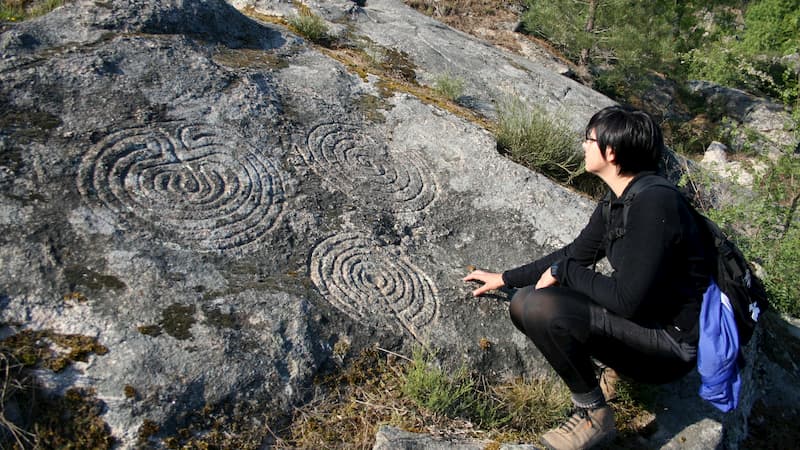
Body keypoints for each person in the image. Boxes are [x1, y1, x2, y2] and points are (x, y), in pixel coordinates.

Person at [464, 105, 709, 450]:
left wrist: (565, 273)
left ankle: (594, 415)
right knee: (526, 297)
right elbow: (575, 253)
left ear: (611, 151)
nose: (582, 146)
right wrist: (505, 277)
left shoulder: (655, 204)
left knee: (535, 307)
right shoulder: (621, 198)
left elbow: (625, 297)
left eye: (588, 139)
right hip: (644, 321)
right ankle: (617, 368)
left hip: (670, 347)